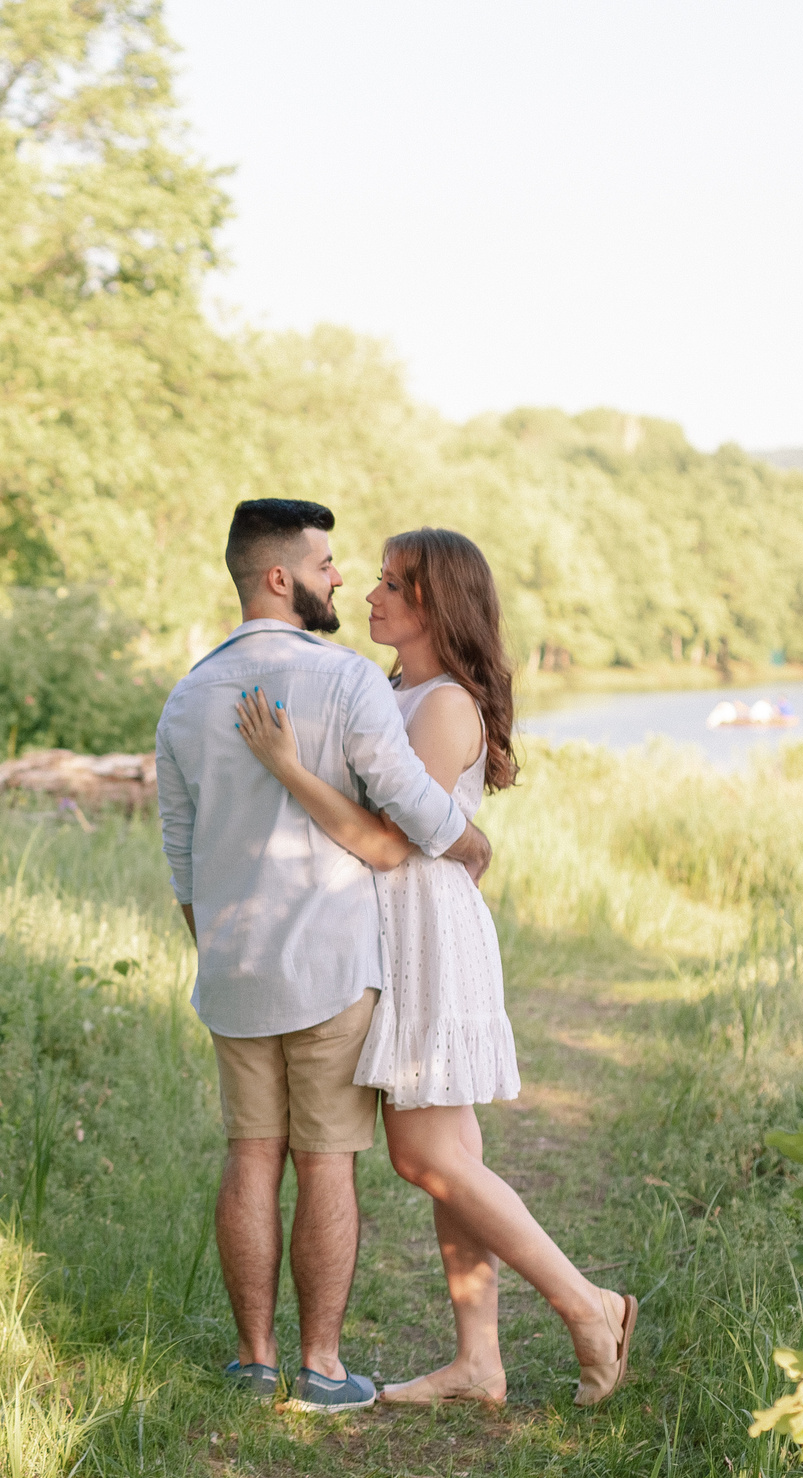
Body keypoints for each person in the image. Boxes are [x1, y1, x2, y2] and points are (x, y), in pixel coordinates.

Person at [232, 527, 634, 1406]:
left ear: (434, 604)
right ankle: (477, 1361)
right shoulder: (394, 689)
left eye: (392, 585)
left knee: (425, 1155)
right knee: (454, 1152)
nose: (371, 596)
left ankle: (588, 1303)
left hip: (428, 928)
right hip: (396, 924)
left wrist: (288, 766)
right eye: (374, 579)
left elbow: (388, 839)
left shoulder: (445, 703)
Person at [156, 500, 495, 1413]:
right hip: (333, 969)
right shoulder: (346, 683)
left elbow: (181, 856)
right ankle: (321, 1366)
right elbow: (412, 808)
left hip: (233, 968)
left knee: (251, 1155)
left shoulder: (187, 697)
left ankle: (252, 1359)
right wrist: (470, 844)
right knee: (328, 1162)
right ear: (281, 577)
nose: (340, 577)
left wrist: (218, 946)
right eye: (327, 562)